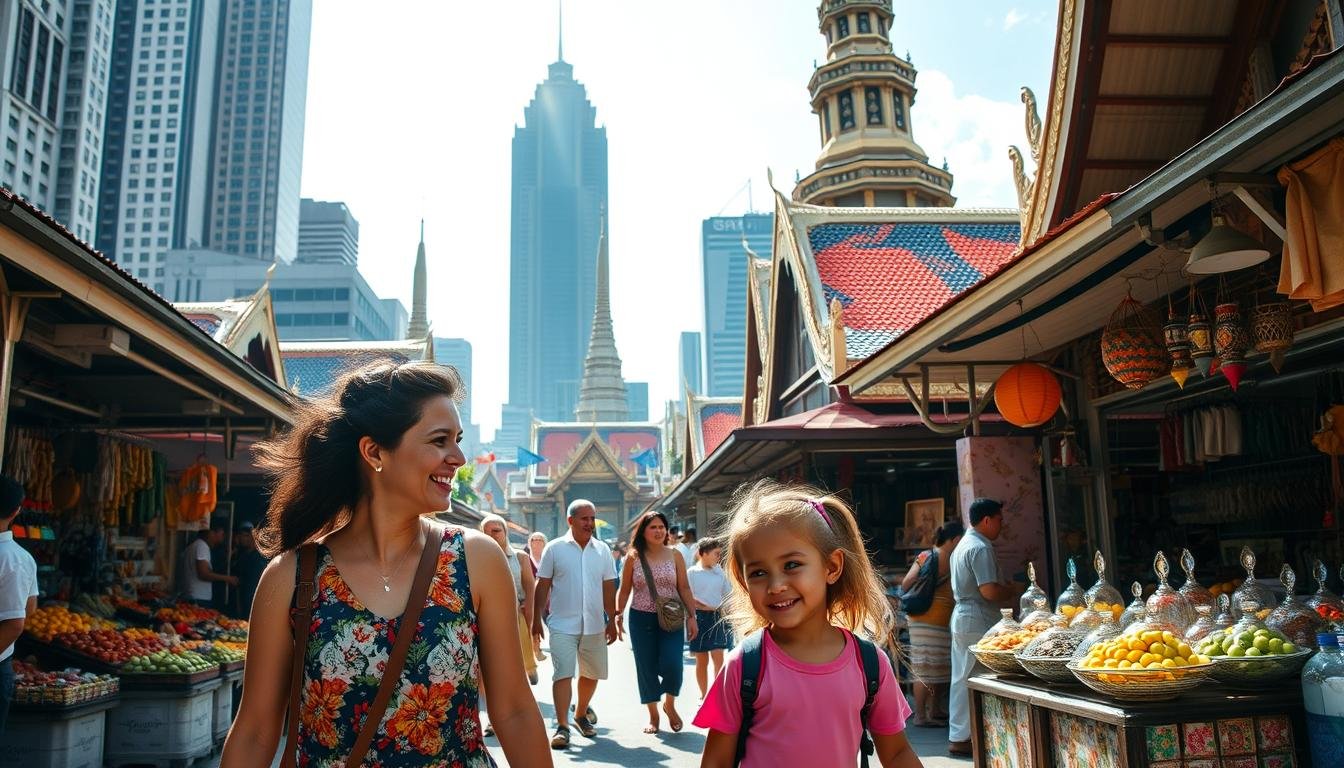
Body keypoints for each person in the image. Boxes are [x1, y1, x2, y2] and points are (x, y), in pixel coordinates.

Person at [221, 361, 551, 767]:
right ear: (374, 451)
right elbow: (254, 731)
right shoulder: (292, 577)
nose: (459, 457)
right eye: (439, 440)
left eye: (458, 439)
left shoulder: (475, 561)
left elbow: (515, 710)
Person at [694, 480, 922, 768]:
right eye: (759, 572)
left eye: (791, 565)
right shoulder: (745, 665)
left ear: (832, 567)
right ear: (743, 582)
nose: (776, 585)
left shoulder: (869, 664)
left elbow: (897, 753)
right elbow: (716, 761)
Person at [532, 500, 618, 750]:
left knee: (592, 674)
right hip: (561, 624)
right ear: (570, 520)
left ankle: (580, 714)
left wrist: (611, 620)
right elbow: (543, 584)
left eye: (592, 519)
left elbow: (608, 587)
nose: (590, 523)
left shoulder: (602, 550)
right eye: (584, 519)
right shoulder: (554, 549)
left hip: (594, 624)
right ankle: (562, 726)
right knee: (563, 673)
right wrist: (536, 619)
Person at [615, 511, 699, 734]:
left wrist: (692, 616)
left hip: (671, 617)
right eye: (653, 527)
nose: (659, 531)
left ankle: (669, 704)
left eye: (662, 527)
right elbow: (624, 590)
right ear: (643, 531)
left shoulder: (675, 555)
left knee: (673, 663)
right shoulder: (633, 557)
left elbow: (684, 588)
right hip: (641, 618)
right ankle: (653, 716)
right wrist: (618, 614)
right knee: (646, 667)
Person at [948, 498, 1015, 757]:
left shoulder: (963, 545)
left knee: (962, 676)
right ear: (986, 520)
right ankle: (965, 736)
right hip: (977, 616)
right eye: (999, 519)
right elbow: (989, 590)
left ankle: (962, 734)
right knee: (976, 676)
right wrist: (1010, 590)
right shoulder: (980, 547)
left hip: (964, 615)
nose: (1002, 525)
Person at [899, 520, 965, 728]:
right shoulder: (952, 558)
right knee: (931, 666)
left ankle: (932, 711)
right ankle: (923, 714)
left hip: (924, 619)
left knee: (931, 666)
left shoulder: (926, 556)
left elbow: (906, 582)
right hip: (933, 619)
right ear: (954, 540)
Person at [480, 514, 539, 688]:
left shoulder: (520, 557)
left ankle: (528, 669)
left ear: (505, 532)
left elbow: (529, 585)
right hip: (489, 612)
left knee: (519, 647)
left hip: (516, 609)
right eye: (487, 532)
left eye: (496, 531)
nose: (492, 535)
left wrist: (529, 606)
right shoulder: (478, 558)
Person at [0, 475, 37, 744]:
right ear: (16, 511)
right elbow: (28, 611)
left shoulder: (13, 559)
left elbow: (16, 623)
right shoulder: (19, 559)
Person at [686, 535, 733, 698]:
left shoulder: (720, 572)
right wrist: (704, 606)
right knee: (702, 660)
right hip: (698, 618)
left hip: (718, 618)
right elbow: (687, 596)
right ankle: (703, 696)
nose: (719, 557)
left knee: (718, 657)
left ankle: (717, 696)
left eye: (720, 553)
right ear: (703, 553)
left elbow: (728, 594)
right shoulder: (692, 572)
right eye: (716, 553)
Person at [181, 518, 237, 606]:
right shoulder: (202, 546)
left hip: (194, 596)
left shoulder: (196, 545)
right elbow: (204, 574)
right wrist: (228, 579)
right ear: (211, 533)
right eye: (221, 533)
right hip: (198, 598)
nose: (223, 537)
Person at [232, 521, 267, 621]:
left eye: (245, 536)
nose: (242, 539)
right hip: (241, 599)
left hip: (253, 599)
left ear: (252, 537)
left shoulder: (258, 557)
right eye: (241, 536)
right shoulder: (241, 555)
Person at [527, 531, 548, 662]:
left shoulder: (548, 557)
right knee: (534, 622)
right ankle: (536, 648)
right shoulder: (525, 558)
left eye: (540, 540)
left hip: (548, 597)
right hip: (530, 596)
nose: (537, 542)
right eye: (534, 539)